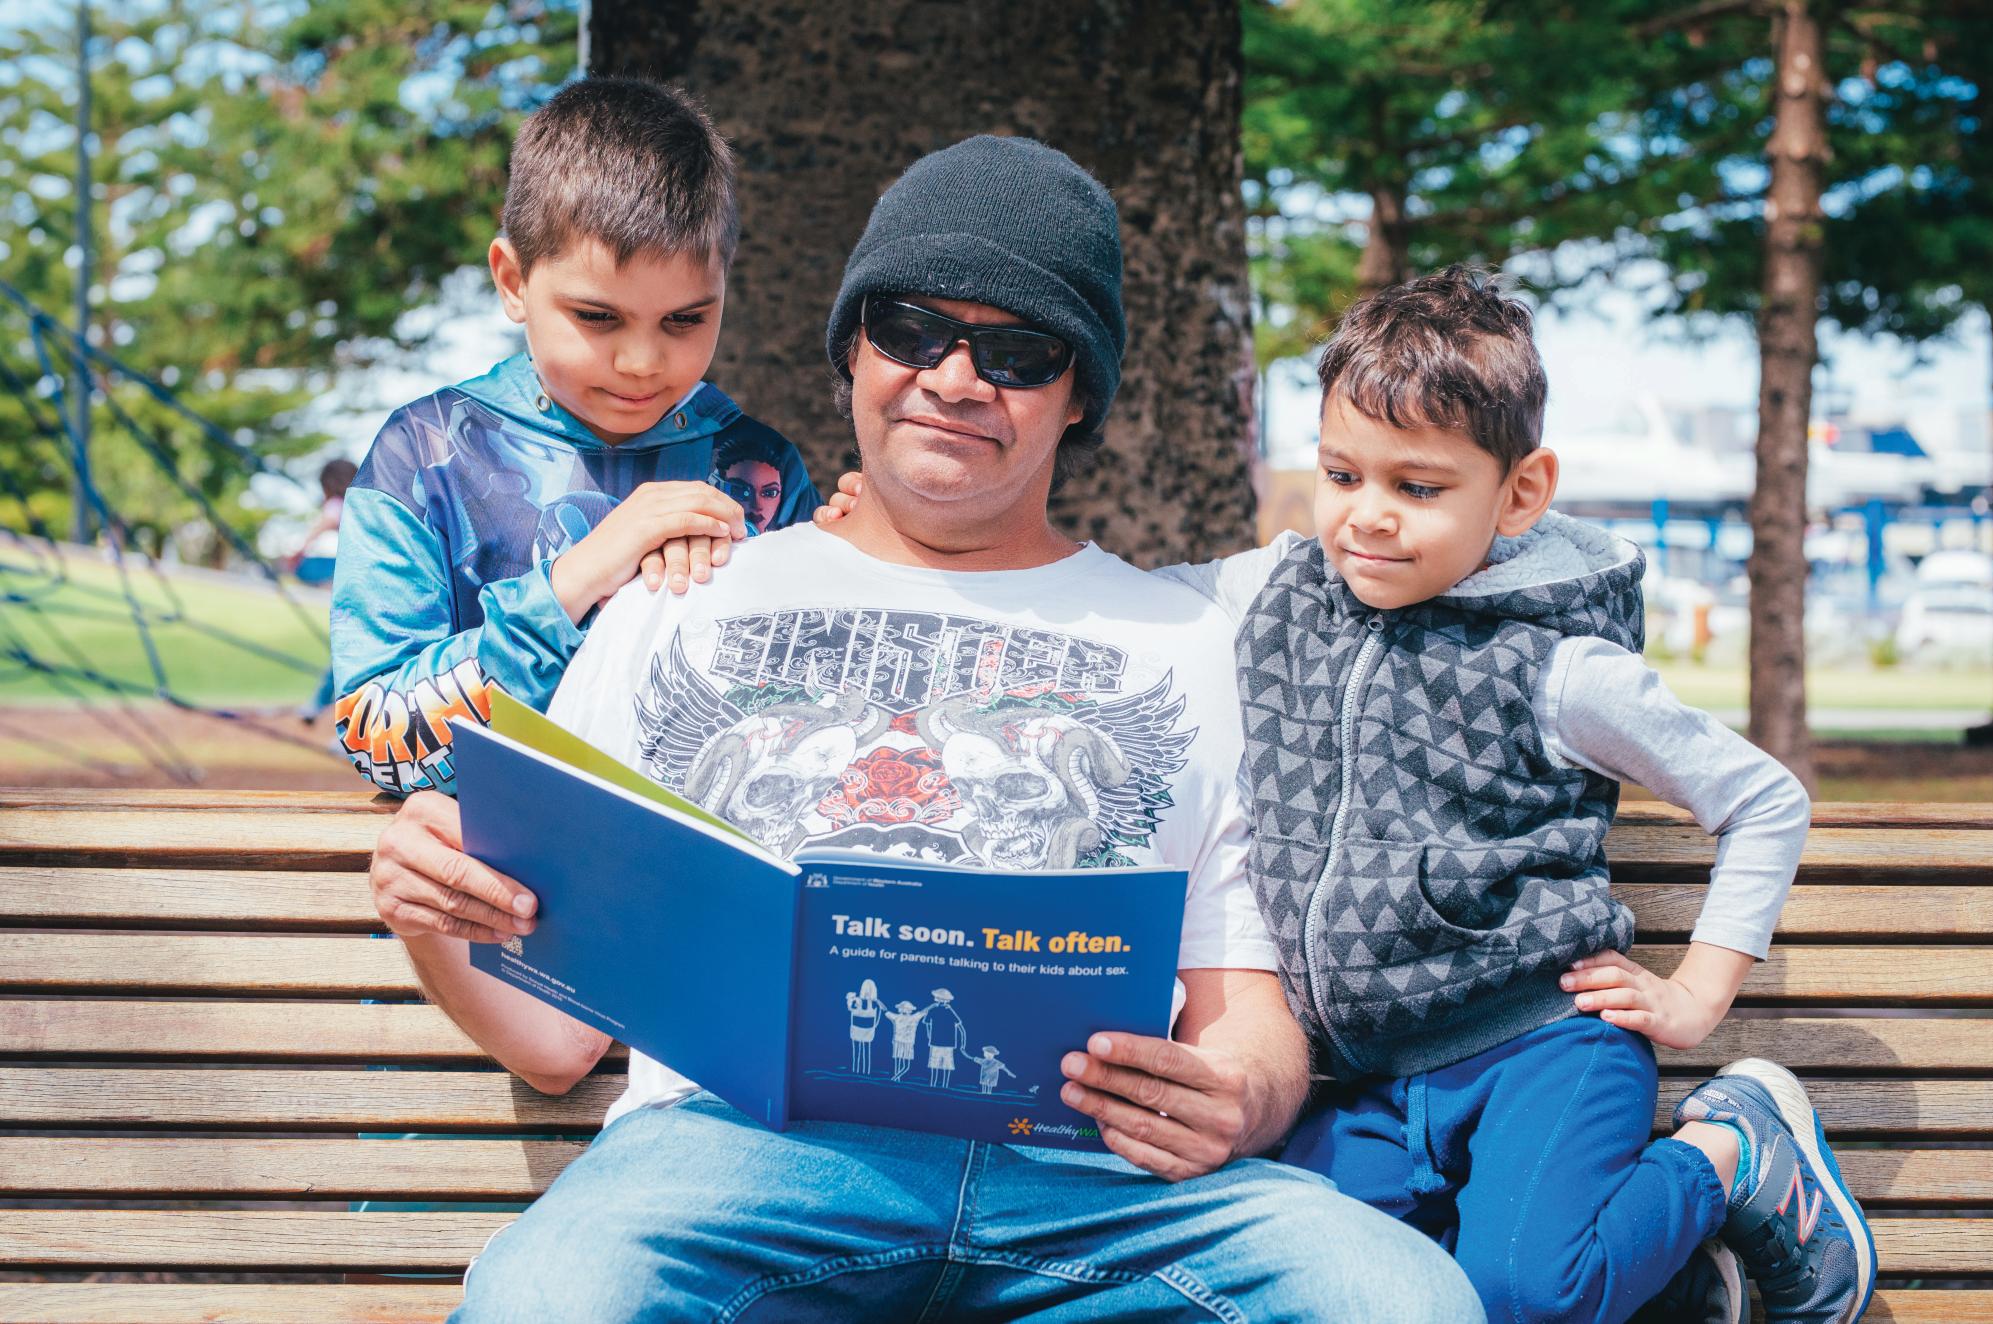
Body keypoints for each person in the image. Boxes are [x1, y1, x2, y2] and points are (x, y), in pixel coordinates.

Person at [368, 133, 1482, 1322]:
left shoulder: (1190, 637)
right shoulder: (675, 600)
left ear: (1078, 394)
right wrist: (432, 914)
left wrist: (1232, 1093)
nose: (953, 378)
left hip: (1097, 1182)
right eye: (910, 330)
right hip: (734, 1166)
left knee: (1398, 1299)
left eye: (1014, 352)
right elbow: (552, 1043)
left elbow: (1242, 1009)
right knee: (549, 1303)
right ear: (853, 344)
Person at [813, 268, 1874, 1324]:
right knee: (1327, 1293)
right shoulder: (1270, 590)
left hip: (1535, 1045)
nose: (1366, 519)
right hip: (1350, 1079)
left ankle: (1730, 1155)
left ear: (1519, 492)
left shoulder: (1559, 666)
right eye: (1339, 474)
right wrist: (889, 535)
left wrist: (1695, 993)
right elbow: (1109, 600)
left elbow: (1763, 800)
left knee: (1523, 1293)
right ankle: (1679, 1281)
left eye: (1416, 489)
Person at [328, 76, 820, 798]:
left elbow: (799, 721)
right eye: (597, 317)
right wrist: (576, 581)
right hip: (480, 895)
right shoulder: (422, 458)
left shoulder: (760, 469)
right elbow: (378, 740)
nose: (642, 362)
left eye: (685, 320)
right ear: (512, 281)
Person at [289, 457, 356, 724]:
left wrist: (299, 549)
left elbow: (328, 519)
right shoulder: (367, 500)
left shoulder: (339, 503)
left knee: (346, 653)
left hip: (356, 586)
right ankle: (321, 707)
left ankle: (322, 707)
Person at [845, 978, 882, 1074]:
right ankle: (860, 1070)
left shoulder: (871, 1002)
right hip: (860, 1027)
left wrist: (875, 1026)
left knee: (862, 1049)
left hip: (865, 1028)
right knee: (861, 1050)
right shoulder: (858, 1000)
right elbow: (850, 1008)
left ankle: (861, 1070)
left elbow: (880, 1012)